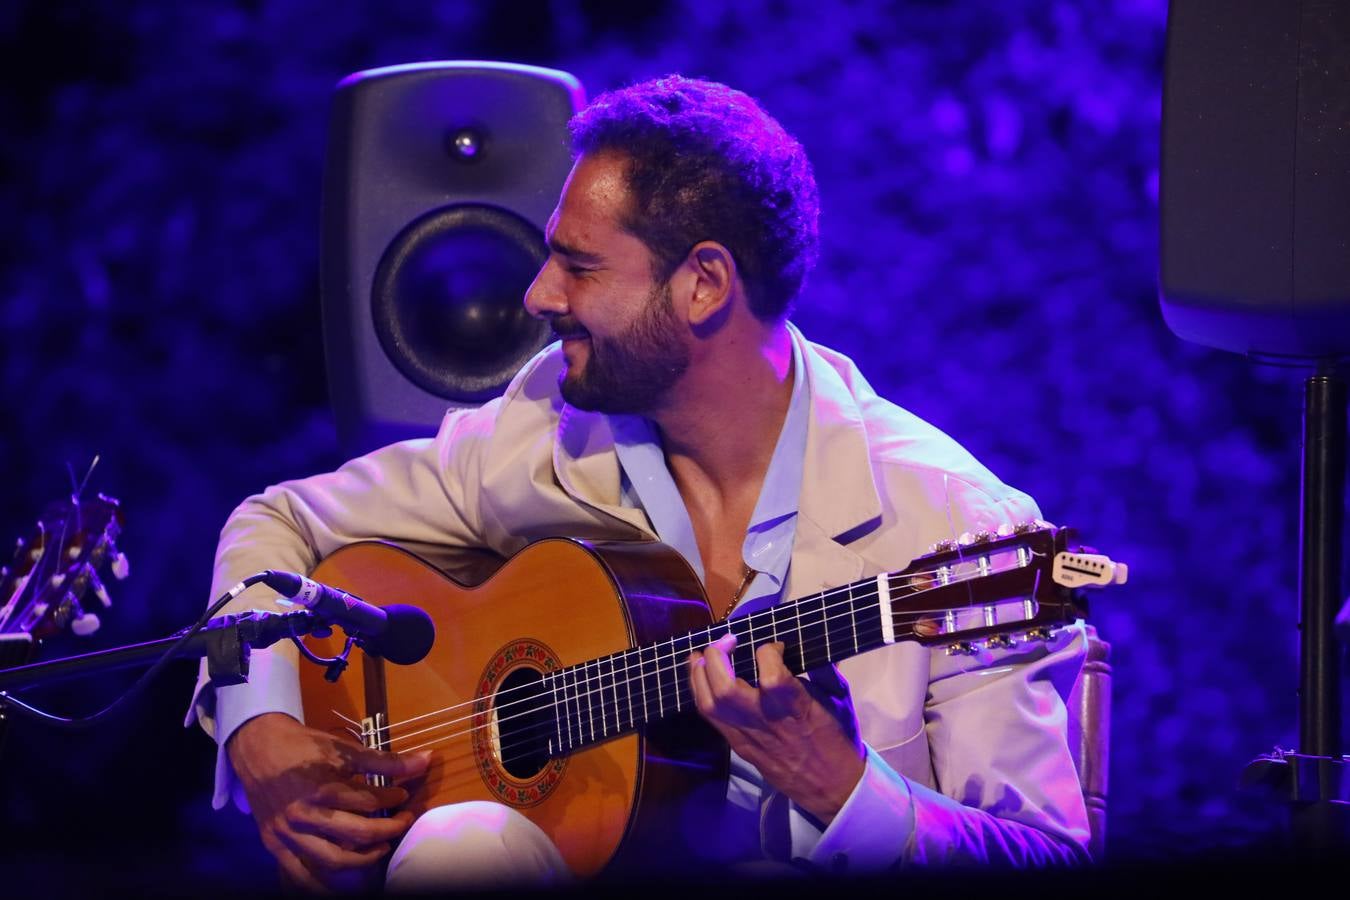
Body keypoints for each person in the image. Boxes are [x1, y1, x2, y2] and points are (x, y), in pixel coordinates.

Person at [188, 75, 1091, 892]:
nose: (538, 295)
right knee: (459, 843)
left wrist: (846, 789)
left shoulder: (955, 526)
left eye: (579, 266)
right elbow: (277, 526)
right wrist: (259, 723)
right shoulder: (540, 427)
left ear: (703, 285)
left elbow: (1051, 860)